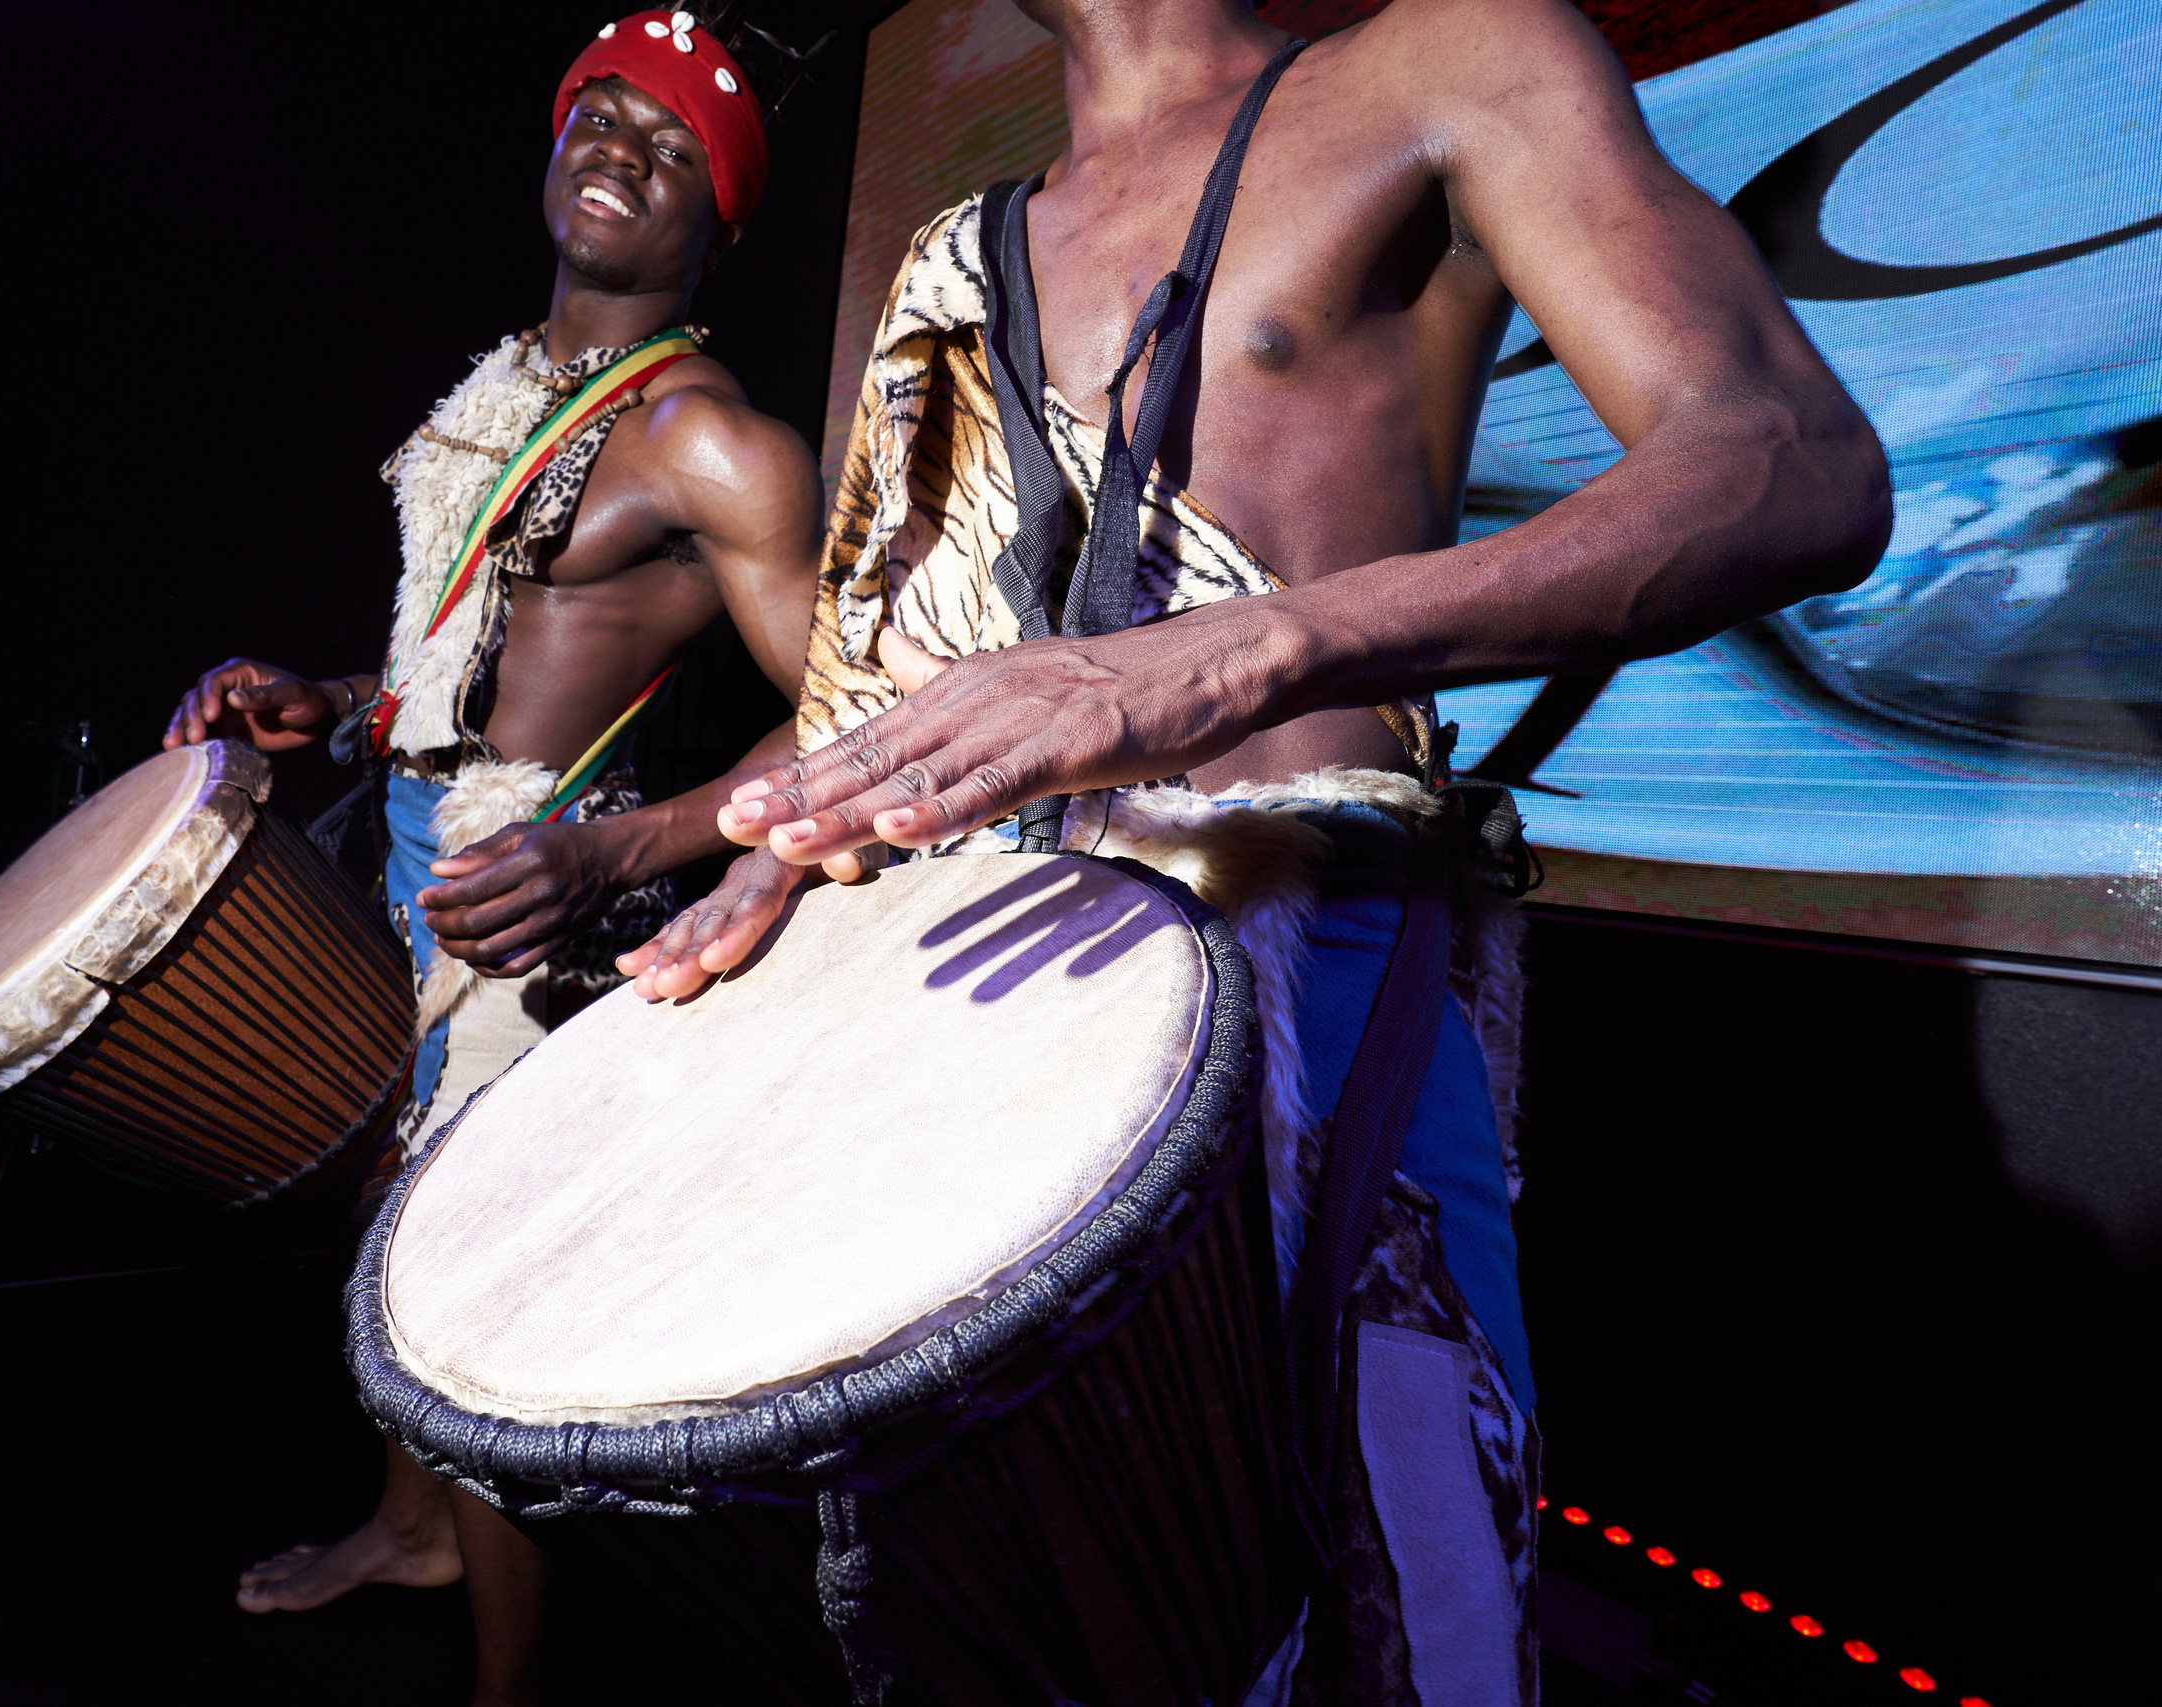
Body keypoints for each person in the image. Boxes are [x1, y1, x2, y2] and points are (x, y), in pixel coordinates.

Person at [621, 0, 1889, 1699]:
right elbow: (888, 675)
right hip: (991, 1026)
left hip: (1311, 976)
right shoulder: (960, 250)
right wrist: (775, 843)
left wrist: (1237, 649)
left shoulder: (1445, 66)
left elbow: (1793, 465)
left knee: (1410, 1615)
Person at [164, 12, 821, 1700]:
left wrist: (618, 854)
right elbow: (458, 661)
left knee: (463, 1311)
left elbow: (865, 713)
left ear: (717, 220)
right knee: (384, 1217)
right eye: (601, 116)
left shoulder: (712, 446)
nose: (623, 151)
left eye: (673, 146)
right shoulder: (507, 392)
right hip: (400, 855)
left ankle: (510, 1688)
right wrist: (317, 695)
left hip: (528, 902)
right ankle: (417, 1529)